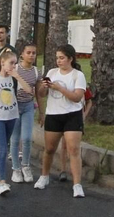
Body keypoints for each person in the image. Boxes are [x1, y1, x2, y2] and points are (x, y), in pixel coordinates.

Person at [33, 44, 87, 195]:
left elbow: (77, 97)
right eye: (57, 58)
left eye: (62, 58)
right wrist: (44, 86)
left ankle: (77, 184)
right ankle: (44, 176)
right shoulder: (52, 72)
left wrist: (60, 88)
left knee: (73, 149)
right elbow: (42, 94)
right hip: (54, 115)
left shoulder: (78, 75)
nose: (59, 61)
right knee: (49, 149)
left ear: (70, 59)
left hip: (72, 115)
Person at [10, 41, 40, 183]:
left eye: (34, 53)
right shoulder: (14, 69)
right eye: (28, 52)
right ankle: (16, 169)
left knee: (27, 138)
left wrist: (42, 112)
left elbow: (38, 93)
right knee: (15, 139)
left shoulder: (36, 72)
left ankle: (25, 166)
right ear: (21, 54)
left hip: (28, 106)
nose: (31, 55)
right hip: (15, 106)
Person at [0, 49, 20, 195]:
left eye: (15, 64)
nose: (13, 66)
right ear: (2, 63)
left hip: (12, 115)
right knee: (2, 148)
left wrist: (18, 77)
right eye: (11, 63)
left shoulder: (14, 79)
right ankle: (2, 181)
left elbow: (28, 90)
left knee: (4, 147)